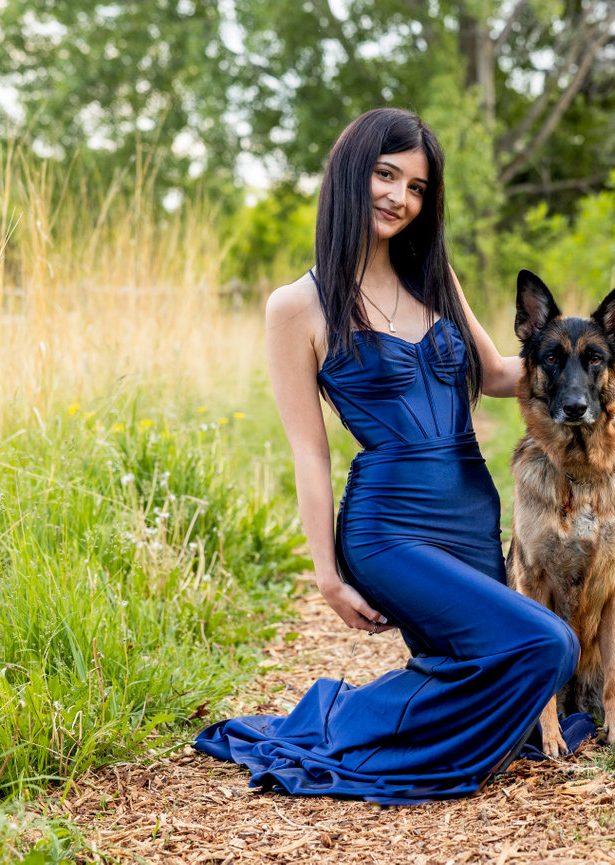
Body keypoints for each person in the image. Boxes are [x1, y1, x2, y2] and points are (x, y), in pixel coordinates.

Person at [194, 107, 586, 804]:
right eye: (386, 175)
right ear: (351, 173)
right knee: (548, 644)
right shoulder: (297, 306)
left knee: (499, 663)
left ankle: (424, 727)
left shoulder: (433, 276)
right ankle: (347, 723)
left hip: (468, 509)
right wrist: (326, 573)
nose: (399, 197)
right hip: (388, 527)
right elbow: (309, 453)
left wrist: (582, 369)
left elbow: (497, 373)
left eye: (416, 188)